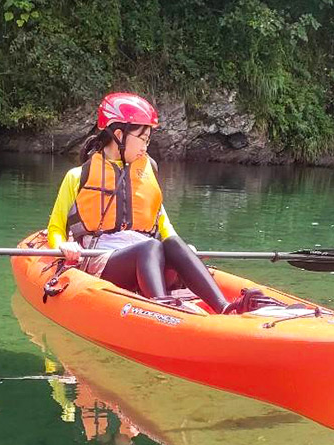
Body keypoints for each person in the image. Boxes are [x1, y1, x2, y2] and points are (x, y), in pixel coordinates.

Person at [46, 92, 232, 313]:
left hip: (147, 257)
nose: (146, 147)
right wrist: (63, 245)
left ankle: (224, 307)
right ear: (118, 135)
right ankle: (162, 309)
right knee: (151, 246)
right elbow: (56, 227)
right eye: (142, 139)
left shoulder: (147, 172)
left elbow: (165, 228)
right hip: (101, 260)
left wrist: (186, 255)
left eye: (148, 140)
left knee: (170, 245)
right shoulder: (77, 176)